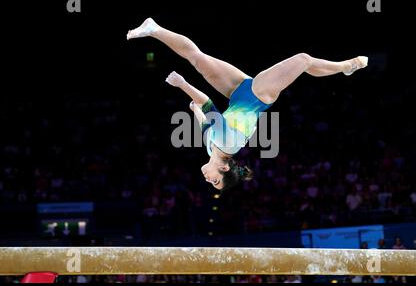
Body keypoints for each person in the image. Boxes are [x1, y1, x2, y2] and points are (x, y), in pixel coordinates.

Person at [127, 18, 368, 190]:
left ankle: (154, 29)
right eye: (214, 181)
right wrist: (182, 85)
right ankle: (346, 66)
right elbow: (209, 104)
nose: (207, 179)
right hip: (259, 95)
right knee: (303, 59)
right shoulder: (227, 144)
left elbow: (205, 126)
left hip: (238, 93)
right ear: (224, 170)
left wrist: (194, 111)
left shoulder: (213, 149)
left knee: (197, 59)